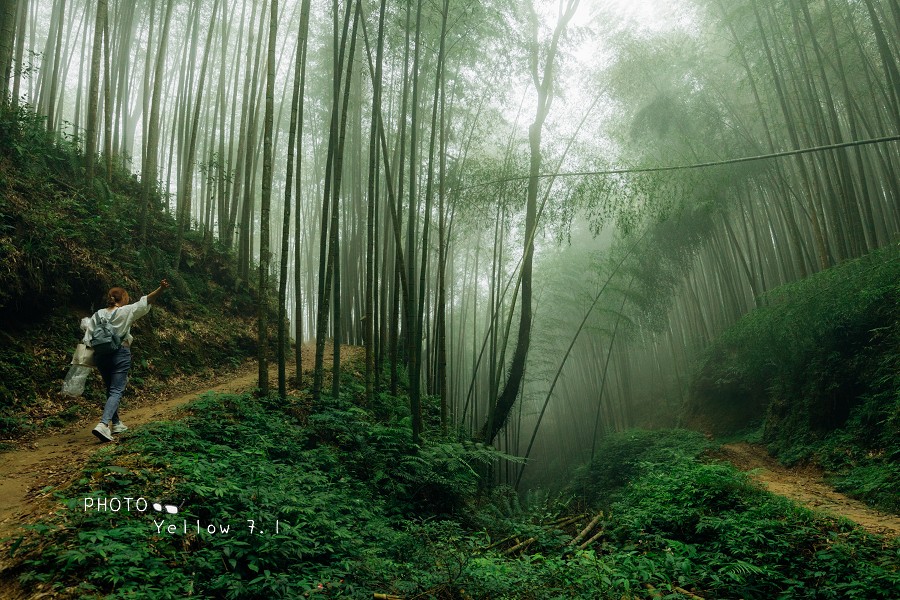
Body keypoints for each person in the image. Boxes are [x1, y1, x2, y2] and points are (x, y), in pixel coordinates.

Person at [85, 279, 170, 442]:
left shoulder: (97, 314)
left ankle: (116, 423)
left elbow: (88, 338)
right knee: (116, 390)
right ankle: (103, 424)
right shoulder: (126, 311)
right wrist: (161, 288)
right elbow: (146, 300)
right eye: (127, 297)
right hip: (120, 353)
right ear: (122, 297)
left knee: (110, 389)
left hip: (101, 355)